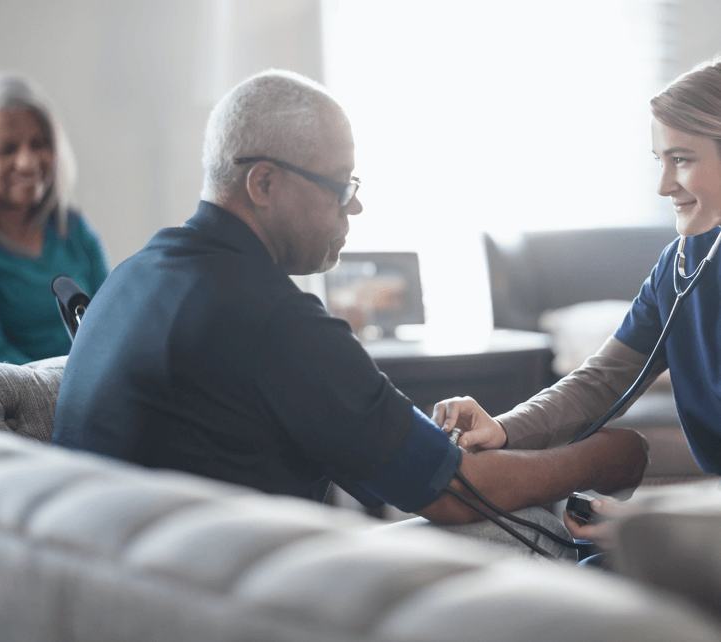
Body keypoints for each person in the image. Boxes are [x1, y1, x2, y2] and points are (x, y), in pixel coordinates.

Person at [51, 70, 647, 557]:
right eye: (340, 185)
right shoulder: (271, 316)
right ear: (263, 183)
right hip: (222, 604)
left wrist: (428, 442)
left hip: (116, 586)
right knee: (539, 529)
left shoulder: (133, 276)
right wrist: (610, 456)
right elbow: (457, 494)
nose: (355, 204)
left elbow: (375, 453)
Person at [433, 55, 721, 551]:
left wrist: (654, 521)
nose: (663, 186)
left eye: (683, 159)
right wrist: (503, 429)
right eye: (660, 161)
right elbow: (602, 380)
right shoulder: (682, 264)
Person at [0, 74, 109, 364]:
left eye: (38, 144)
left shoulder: (73, 228)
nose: (27, 162)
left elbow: (112, 318)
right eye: (7, 149)